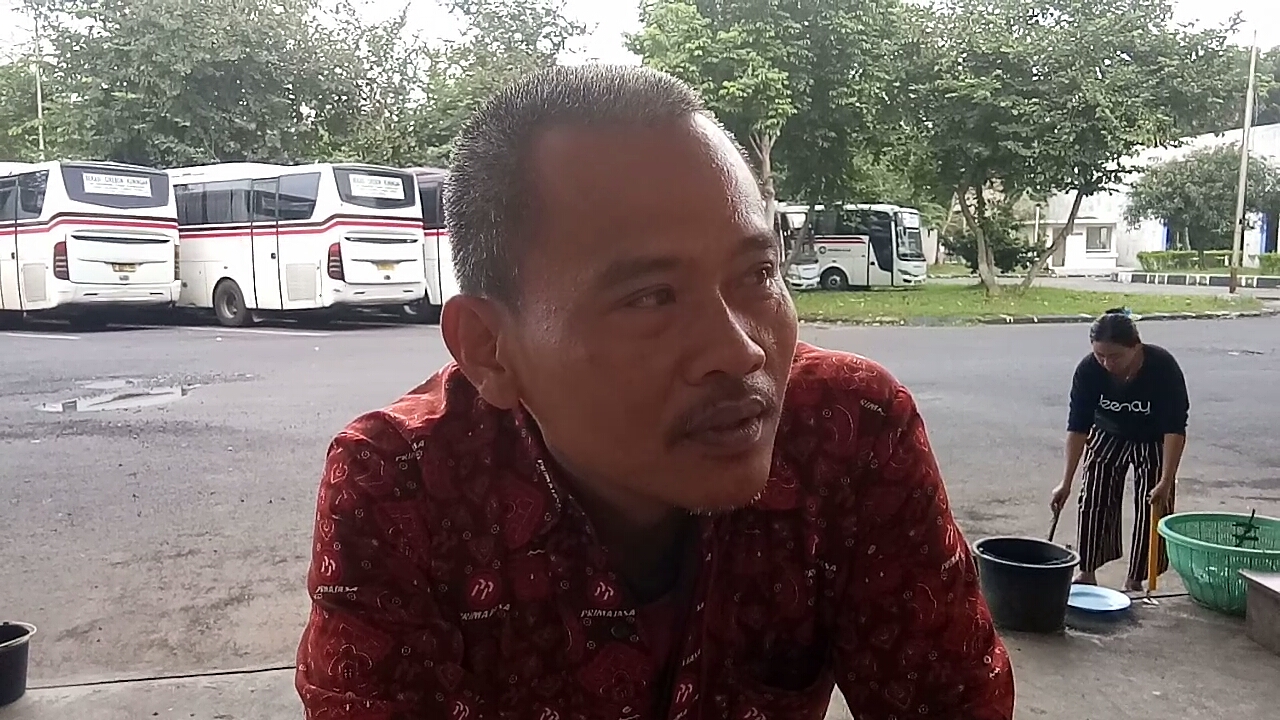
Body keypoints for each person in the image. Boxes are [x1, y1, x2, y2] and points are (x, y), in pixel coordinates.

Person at [296, 64, 1013, 720]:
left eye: (757, 275)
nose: (740, 350)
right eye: (651, 297)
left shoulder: (848, 431)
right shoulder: (403, 486)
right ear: (489, 348)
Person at [1051, 308, 1189, 591]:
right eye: (1100, 355)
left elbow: (1175, 428)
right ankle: (1087, 571)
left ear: (1136, 347)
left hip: (1153, 438)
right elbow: (1078, 426)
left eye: (1115, 356)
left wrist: (1166, 480)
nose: (1107, 363)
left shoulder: (1162, 367)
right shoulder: (1089, 370)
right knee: (1093, 499)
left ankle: (1135, 579)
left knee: (1153, 504)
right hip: (1108, 433)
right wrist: (1065, 482)